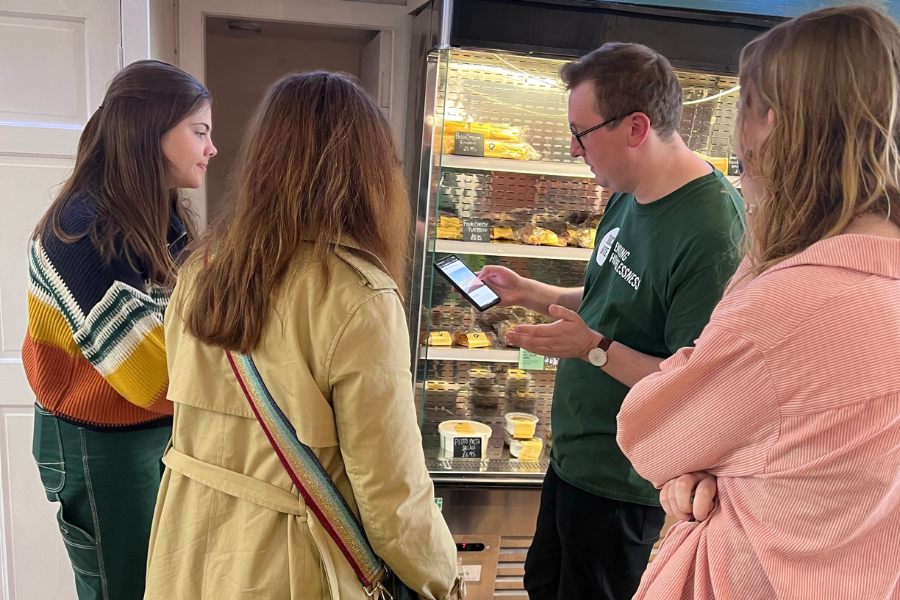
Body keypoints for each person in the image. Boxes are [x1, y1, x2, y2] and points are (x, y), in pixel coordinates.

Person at [143, 72, 464, 600]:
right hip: (289, 563)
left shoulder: (201, 269)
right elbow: (392, 499)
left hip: (189, 544)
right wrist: (443, 579)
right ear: (370, 173)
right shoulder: (359, 296)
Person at [617, 6, 900, 599]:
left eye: (743, 108)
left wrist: (765, 244)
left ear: (770, 124)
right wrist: (720, 462)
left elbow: (647, 431)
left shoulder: (794, 300)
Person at [477, 43, 745, 600]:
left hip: (622, 480)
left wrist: (592, 348)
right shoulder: (627, 194)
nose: (575, 150)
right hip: (573, 457)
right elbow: (609, 299)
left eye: (581, 133)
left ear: (635, 127)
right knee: (544, 585)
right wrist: (530, 292)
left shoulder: (711, 231)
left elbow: (692, 384)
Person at [24, 60, 216, 599]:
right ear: (150, 131)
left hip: (147, 430)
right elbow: (153, 377)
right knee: (125, 589)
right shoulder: (85, 233)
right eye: (199, 132)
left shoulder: (159, 220)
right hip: (98, 444)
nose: (211, 148)